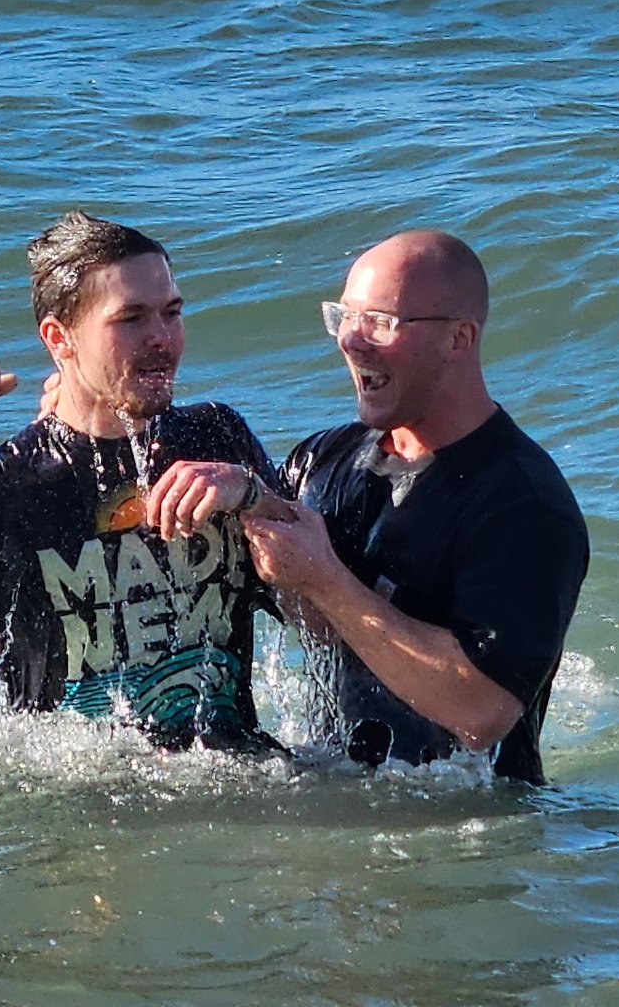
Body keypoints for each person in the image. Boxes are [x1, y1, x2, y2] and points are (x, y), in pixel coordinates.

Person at [0, 212, 290, 757]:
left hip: (238, 766)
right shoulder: (7, 489)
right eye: (132, 319)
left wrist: (252, 494)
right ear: (59, 338)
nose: (162, 338)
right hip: (84, 790)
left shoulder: (216, 438)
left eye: (172, 312)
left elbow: (318, 577)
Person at [242, 229, 589, 783]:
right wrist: (243, 500)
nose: (351, 340)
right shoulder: (323, 460)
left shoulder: (525, 504)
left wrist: (326, 578)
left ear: (459, 338)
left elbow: (481, 712)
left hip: (467, 818)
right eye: (345, 317)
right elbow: (311, 619)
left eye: (380, 321)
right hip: (339, 793)